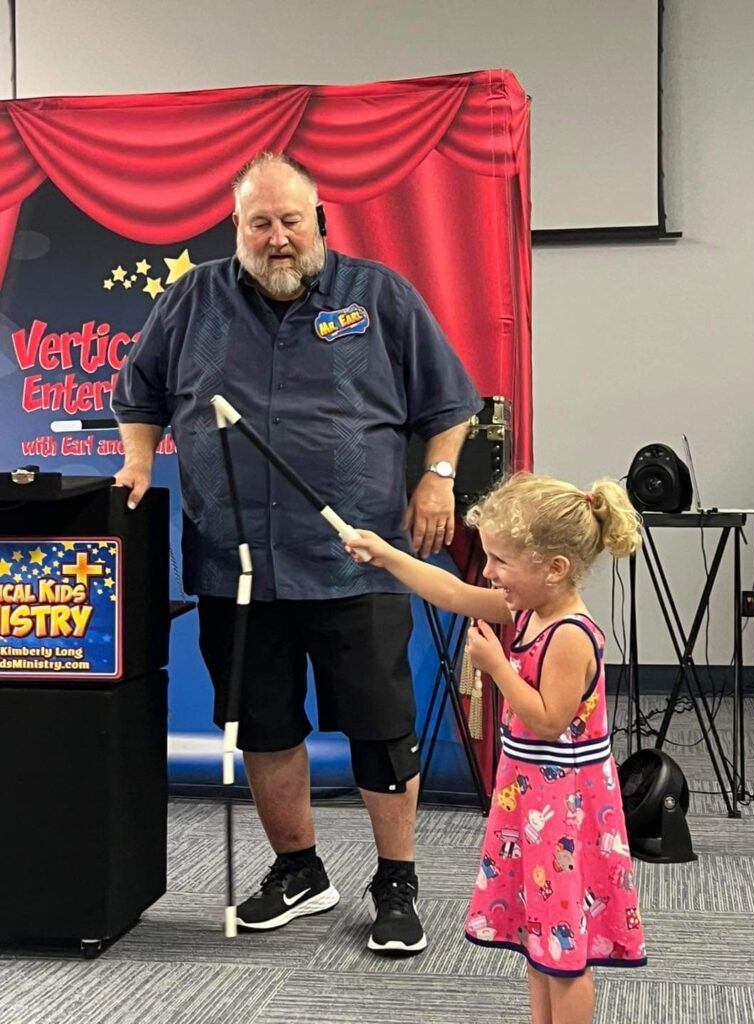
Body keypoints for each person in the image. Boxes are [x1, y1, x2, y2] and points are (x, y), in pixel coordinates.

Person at [111, 151, 483, 956]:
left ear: (319, 221)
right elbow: (138, 395)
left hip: (358, 558)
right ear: (235, 228)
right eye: (260, 224)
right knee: (265, 725)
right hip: (236, 564)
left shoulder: (379, 297)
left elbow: (450, 403)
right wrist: (138, 458)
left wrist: (438, 478)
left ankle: (396, 881)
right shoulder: (191, 300)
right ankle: (300, 869)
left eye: (290, 221)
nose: (277, 237)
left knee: (380, 728)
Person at [346, 473, 647, 1023]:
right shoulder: (530, 610)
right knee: (540, 942)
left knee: (565, 953)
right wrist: (388, 556)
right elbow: (454, 594)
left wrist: (497, 667)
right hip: (533, 802)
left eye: (501, 561)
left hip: (564, 810)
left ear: (554, 568)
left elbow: (549, 721)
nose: (488, 572)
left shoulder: (569, 633)